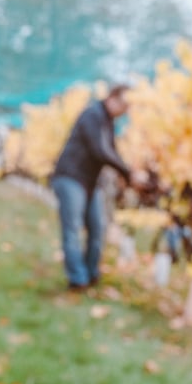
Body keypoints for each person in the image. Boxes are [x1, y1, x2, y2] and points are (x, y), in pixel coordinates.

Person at [50, 84, 136, 290]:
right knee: (73, 229)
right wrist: (127, 172)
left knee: (98, 228)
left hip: (90, 181)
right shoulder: (93, 115)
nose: (125, 110)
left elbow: (112, 152)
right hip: (71, 177)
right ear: (112, 98)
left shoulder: (108, 122)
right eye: (124, 104)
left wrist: (128, 175)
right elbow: (101, 151)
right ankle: (78, 279)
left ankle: (91, 273)